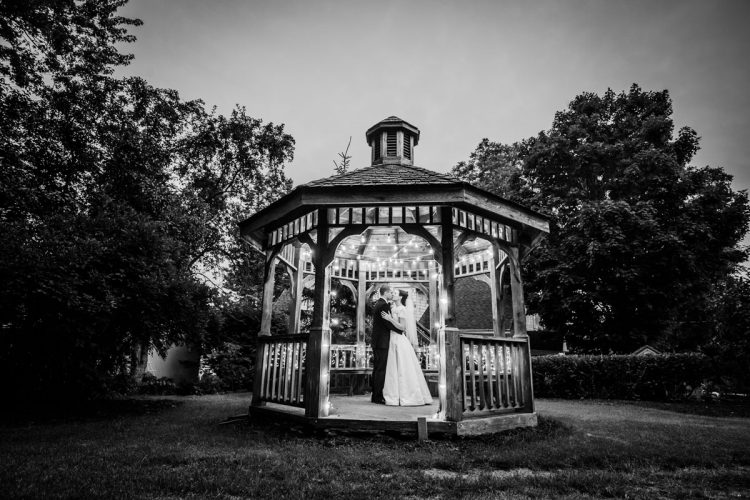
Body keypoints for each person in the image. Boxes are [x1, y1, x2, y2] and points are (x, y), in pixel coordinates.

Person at [381, 290, 433, 406]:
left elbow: (402, 327)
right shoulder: (393, 308)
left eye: (395, 293)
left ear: (400, 297)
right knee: (393, 369)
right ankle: (394, 395)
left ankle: (408, 396)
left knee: (403, 368)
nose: (392, 294)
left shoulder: (402, 309)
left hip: (399, 340)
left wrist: (390, 319)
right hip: (392, 339)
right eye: (392, 293)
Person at [370, 285, 402, 404]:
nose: (391, 294)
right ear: (386, 293)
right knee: (381, 370)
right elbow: (387, 324)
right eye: (390, 292)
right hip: (382, 342)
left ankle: (375, 395)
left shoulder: (378, 303)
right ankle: (377, 397)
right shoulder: (384, 305)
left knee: (377, 369)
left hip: (377, 341)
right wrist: (401, 331)